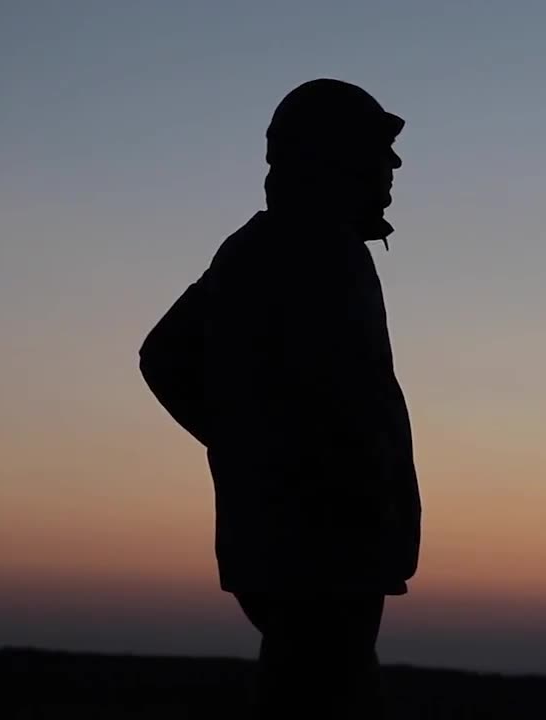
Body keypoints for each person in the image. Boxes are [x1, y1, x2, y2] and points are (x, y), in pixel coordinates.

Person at [138, 78, 421, 718]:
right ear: (334, 156)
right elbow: (165, 358)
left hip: (324, 548)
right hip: (315, 553)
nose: (395, 165)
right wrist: (261, 451)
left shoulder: (307, 247)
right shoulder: (292, 248)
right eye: (380, 148)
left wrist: (253, 444)